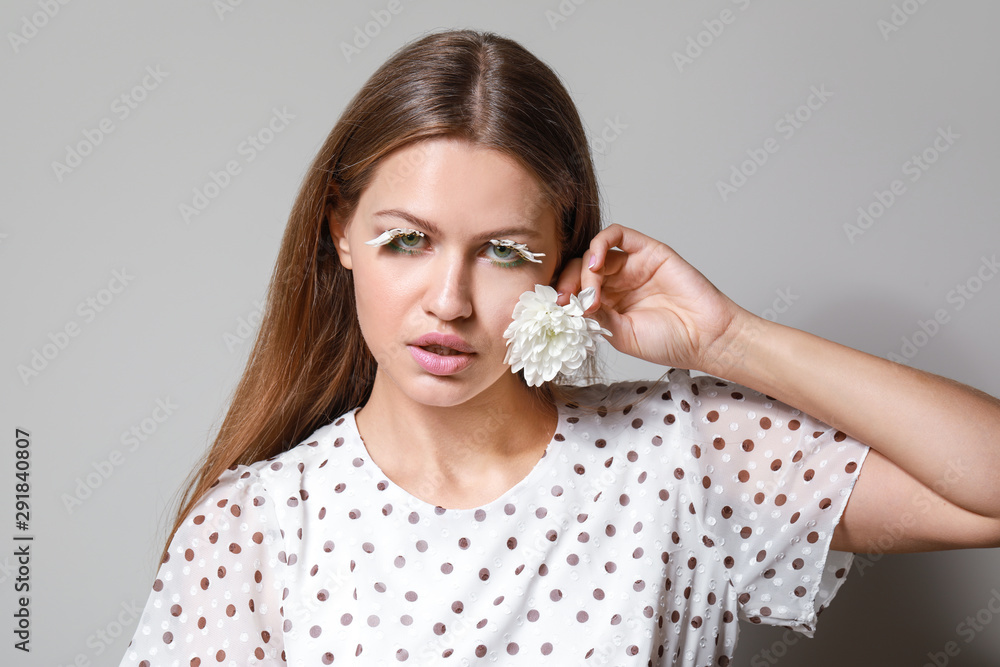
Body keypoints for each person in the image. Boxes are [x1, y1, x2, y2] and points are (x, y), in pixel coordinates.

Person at [118, 29, 1000, 666]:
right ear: (340, 232)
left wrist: (732, 338)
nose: (451, 301)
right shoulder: (257, 526)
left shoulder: (677, 456)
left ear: (565, 262)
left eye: (504, 251)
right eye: (406, 241)